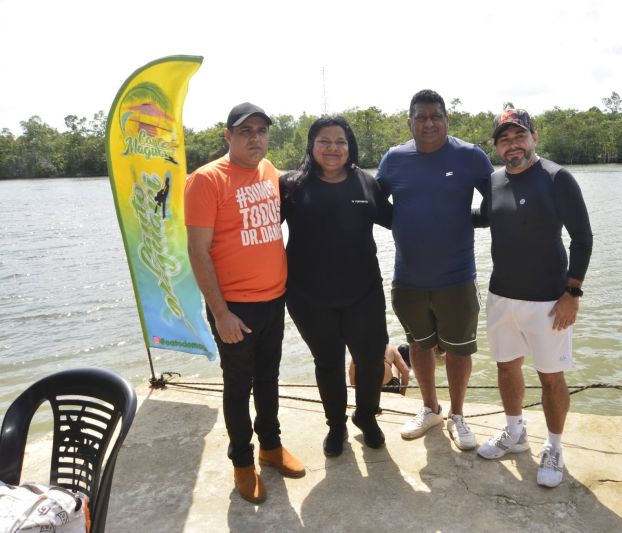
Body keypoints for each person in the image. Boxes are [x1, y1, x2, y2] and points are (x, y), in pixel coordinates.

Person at [184, 102, 305, 505]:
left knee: (269, 378)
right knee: (238, 387)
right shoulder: (206, 180)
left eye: (261, 131)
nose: (255, 138)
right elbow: (198, 251)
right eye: (245, 131)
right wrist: (220, 313)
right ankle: (242, 462)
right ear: (228, 136)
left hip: (273, 299)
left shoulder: (269, 171)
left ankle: (271, 447)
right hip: (234, 306)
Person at [474, 109, 593, 488]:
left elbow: (582, 238)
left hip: (548, 301)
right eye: (504, 139)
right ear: (496, 147)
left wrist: (572, 292)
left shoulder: (557, 178)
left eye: (519, 136)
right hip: (501, 296)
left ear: (534, 138)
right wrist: (435, 210)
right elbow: (484, 217)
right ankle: (515, 432)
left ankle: (554, 447)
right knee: (506, 367)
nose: (513, 145)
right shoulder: (494, 181)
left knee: (551, 376)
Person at [375, 89, 493, 450]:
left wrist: (466, 218)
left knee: (459, 350)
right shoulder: (394, 159)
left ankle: (457, 415)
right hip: (408, 278)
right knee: (419, 345)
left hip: (457, 276)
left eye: (435, 116)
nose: (429, 123)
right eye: (421, 117)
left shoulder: (470, 156)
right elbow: (376, 205)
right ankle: (430, 409)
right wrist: (403, 223)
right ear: (409, 122)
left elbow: (497, 200)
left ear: (446, 119)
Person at [280, 116, 393, 457]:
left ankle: (366, 416)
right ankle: (336, 425)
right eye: (324, 141)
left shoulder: (366, 182)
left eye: (340, 141)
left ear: (349, 146)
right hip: (308, 297)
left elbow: (398, 221)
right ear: (311, 146)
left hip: (364, 292)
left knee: (371, 360)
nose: (333, 148)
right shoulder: (291, 186)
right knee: (327, 362)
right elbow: (260, 231)